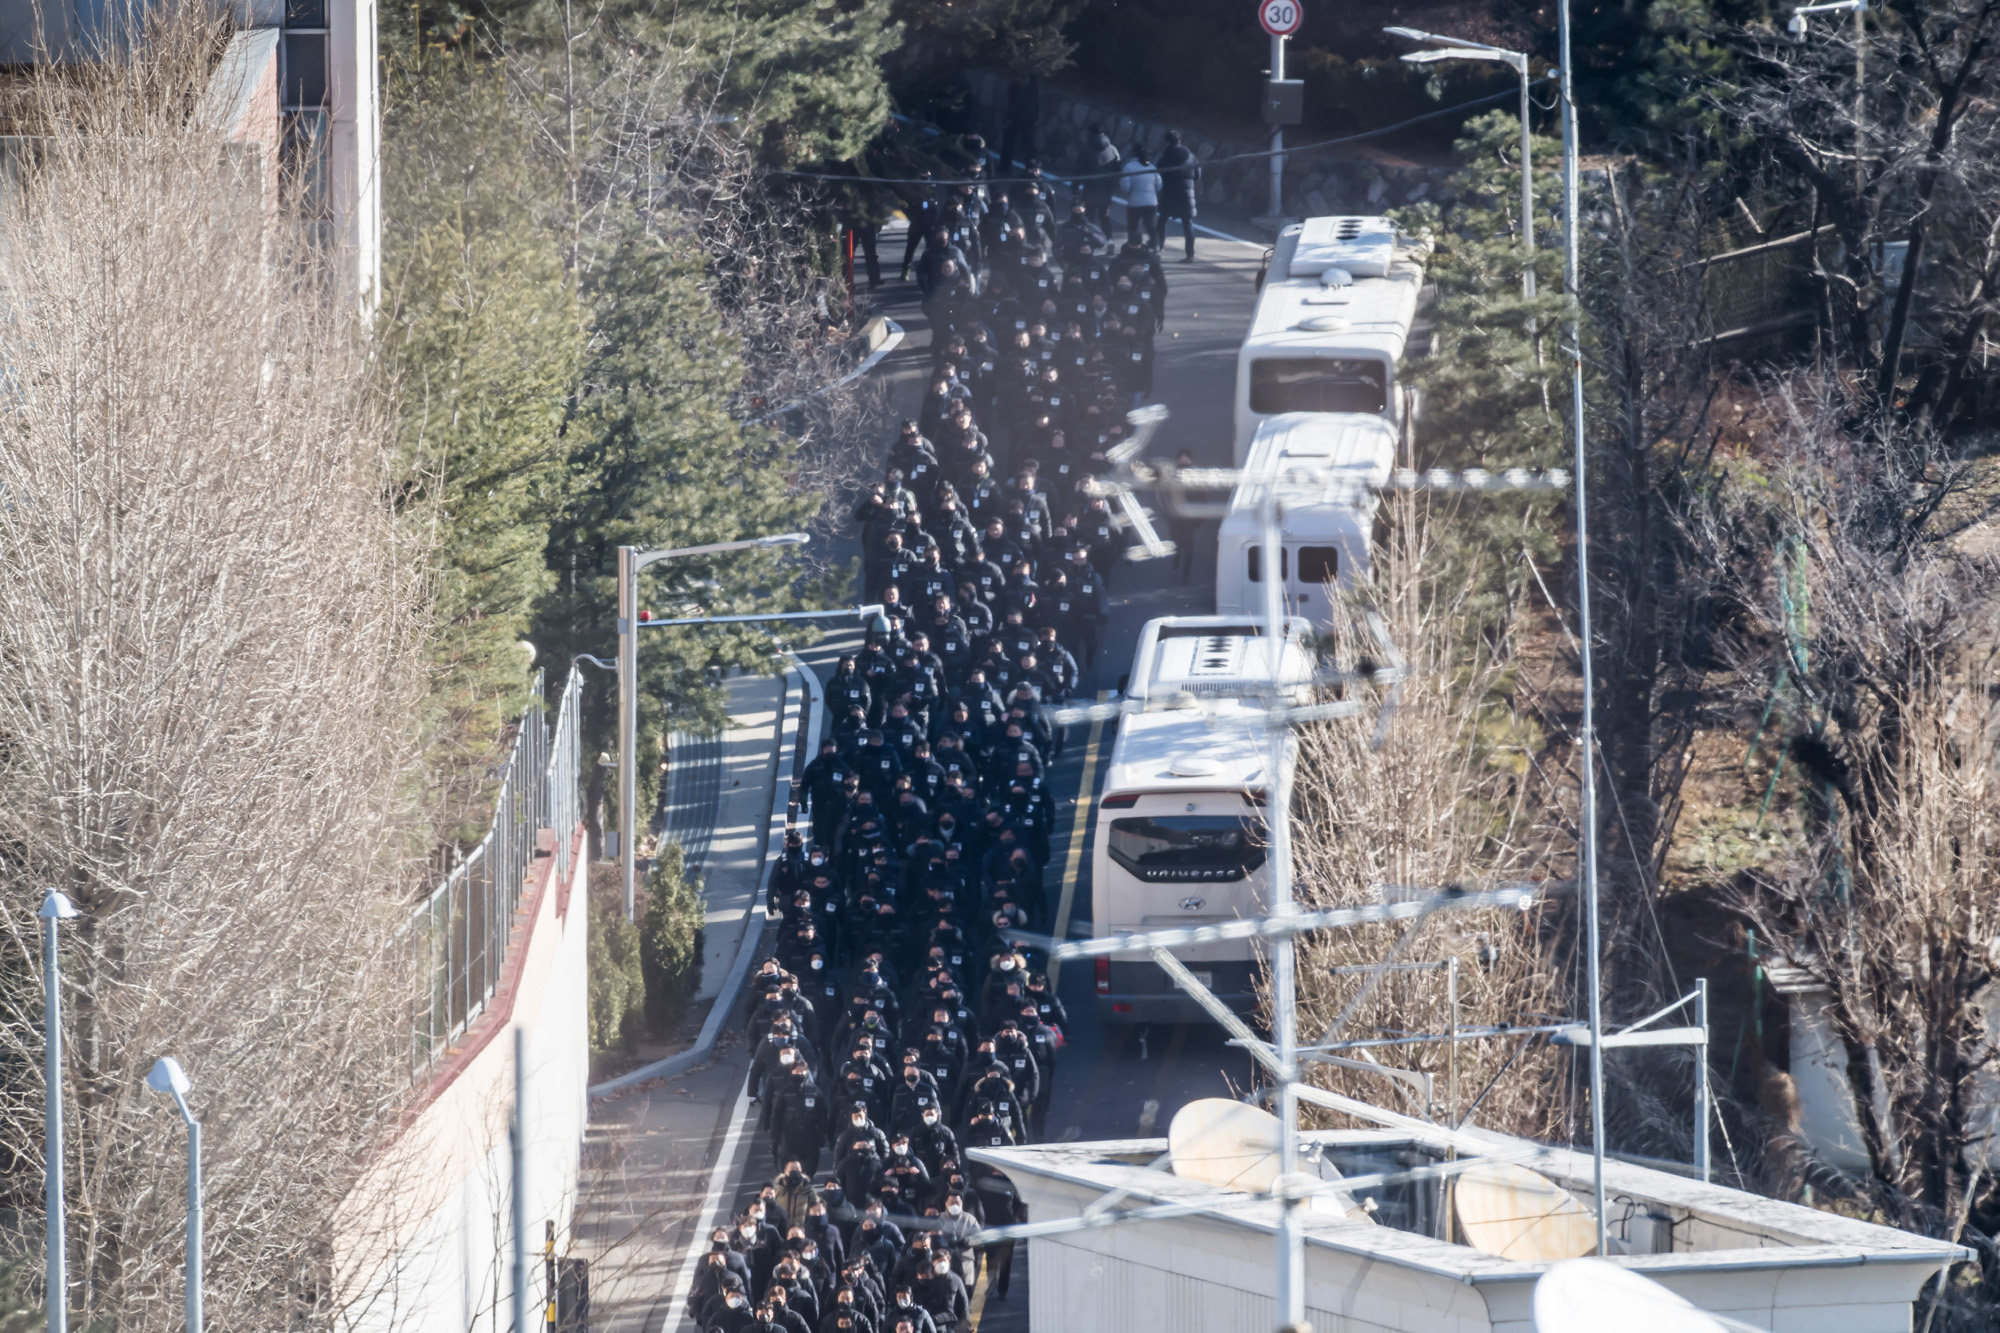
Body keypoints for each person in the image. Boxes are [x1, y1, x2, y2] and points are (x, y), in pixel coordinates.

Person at [1155, 130, 1201, 261]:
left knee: (1162, 220)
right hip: (1187, 195)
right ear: (1179, 141)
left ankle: (1159, 248)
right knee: (1188, 224)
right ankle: (1190, 254)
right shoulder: (1191, 156)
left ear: (1167, 142)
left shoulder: (1165, 158)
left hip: (1169, 195)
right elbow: (1198, 175)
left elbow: (1159, 176)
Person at [1082, 125, 1120, 231]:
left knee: (1090, 216)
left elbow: (1079, 169)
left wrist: (1074, 190)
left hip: (1090, 189)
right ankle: (1109, 240)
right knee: (1104, 217)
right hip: (1106, 190)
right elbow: (1118, 169)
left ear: (1090, 134)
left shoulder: (1087, 149)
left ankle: (1090, 240)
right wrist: (1113, 186)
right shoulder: (1113, 149)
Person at [1120, 148, 1161, 249]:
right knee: (1151, 226)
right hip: (1151, 202)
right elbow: (1159, 185)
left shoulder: (1129, 167)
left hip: (1135, 201)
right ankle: (1155, 246)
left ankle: (1132, 245)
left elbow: (1125, 186)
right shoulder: (1153, 167)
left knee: (1133, 226)